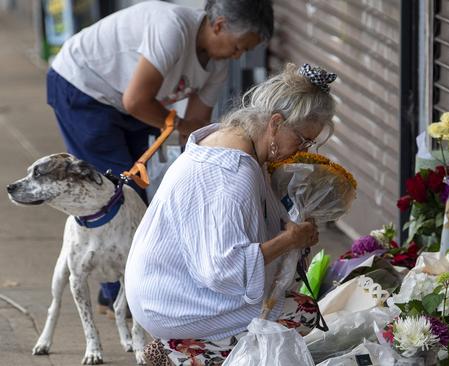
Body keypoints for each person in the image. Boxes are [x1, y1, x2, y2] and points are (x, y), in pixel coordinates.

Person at [46, 0, 273, 315]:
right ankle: (119, 297)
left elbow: (194, 130)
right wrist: (179, 127)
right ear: (219, 25)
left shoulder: (218, 63)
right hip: (83, 88)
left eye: (244, 52)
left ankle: (134, 290)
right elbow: (138, 100)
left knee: (140, 190)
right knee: (119, 195)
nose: (238, 56)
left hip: (130, 104)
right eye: (238, 47)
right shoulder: (172, 29)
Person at [124, 63, 337, 365]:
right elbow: (224, 269)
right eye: (303, 140)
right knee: (301, 314)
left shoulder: (233, 139)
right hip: (170, 300)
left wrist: (294, 230)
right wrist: (289, 241)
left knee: (286, 305)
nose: (303, 149)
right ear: (275, 123)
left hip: (166, 286)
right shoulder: (233, 173)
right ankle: (179, 354)